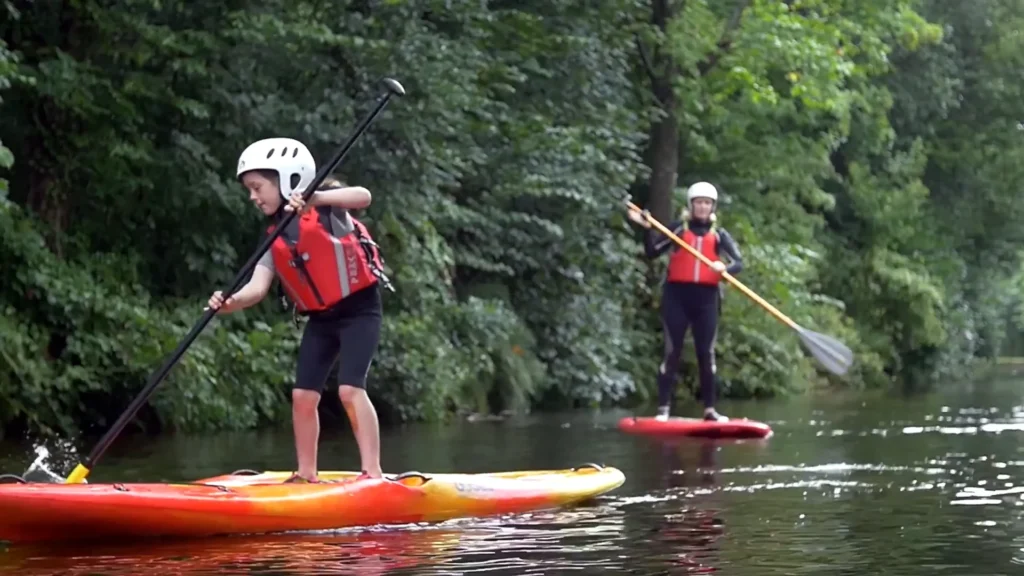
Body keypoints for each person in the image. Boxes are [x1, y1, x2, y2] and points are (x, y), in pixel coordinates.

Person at [207, 137, 392, 483]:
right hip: (321, 319)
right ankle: (307, 475)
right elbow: (256, 289)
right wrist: (228, 303)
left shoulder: (327, 210)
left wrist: (316, 196)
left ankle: (373, 474)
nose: (253, 196)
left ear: (288, 179)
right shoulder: (273, 236)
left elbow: (363, 197)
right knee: (302, 396)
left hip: (359, 311)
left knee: (350, 390)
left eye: (257, 187)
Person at [627, 181, 743, 422]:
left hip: (707, 300)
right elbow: (652, 252)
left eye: (707, 203)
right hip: (677, 297)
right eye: (699, 202)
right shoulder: (678, 229)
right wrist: (647, 229)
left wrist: (725, 267)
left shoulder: (720, 236)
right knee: (672, 352)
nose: (702, 207)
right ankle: (663, 410)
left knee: (705, 353)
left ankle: (710, 410)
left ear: (712, 207)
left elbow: (738, 263)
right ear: (691, 205)